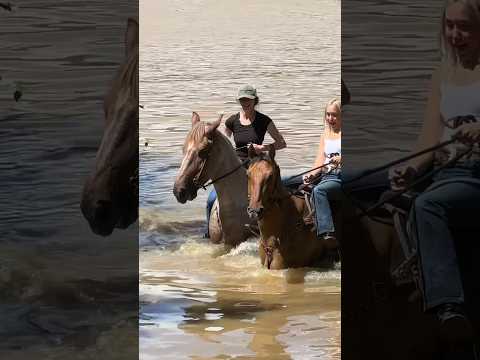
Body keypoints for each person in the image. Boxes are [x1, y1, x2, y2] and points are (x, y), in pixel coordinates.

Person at [389, 0, 480, 340]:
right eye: (450, 25)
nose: (455, 34)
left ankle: (449, 307)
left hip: (474, 176)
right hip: (441, 173)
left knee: (428, 206)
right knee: (359, 186)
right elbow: (428, 138)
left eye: (465, 26)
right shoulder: (442, 74)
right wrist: (410, 170)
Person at [205, 84, 287, 237]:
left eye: (248, 99)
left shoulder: (264, 121)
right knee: (211, 199)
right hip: (236, 166)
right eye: (242, 100)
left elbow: (282, 143)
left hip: (257, 165)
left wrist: (262, 148)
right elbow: (225, 144)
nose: (245, 103)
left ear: (255, 100)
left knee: (278, 190)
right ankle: (208, 232)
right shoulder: (232, 121)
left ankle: (280, 228)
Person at [303, 98, 342, 247]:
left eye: (334, 115)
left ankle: (327, 232)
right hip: (324, 175)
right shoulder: (324, 134)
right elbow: (319, 162)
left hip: (339, 178)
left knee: (319, 191)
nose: (330, 118)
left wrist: (341, 158)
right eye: (328, 114)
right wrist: (311, 175)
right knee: (286, 180)